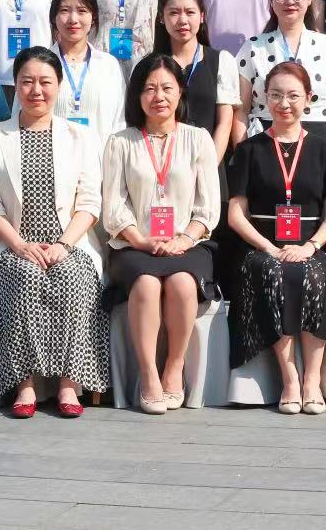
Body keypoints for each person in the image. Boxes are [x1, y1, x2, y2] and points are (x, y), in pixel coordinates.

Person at [0, 47, 108, 419]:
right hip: (11, 243)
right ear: (15, 86)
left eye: (45, 82)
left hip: (69, 242)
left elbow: (90, 202)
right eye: (27, 82)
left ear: (58, 85)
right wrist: (19, 244)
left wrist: (64, 244)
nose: (36, 90)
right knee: (22, 277)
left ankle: (69, 383)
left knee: (74, 277)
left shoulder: (81, 136)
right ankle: (24, 384)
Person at [223, 60, 326, 415]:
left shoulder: (324, 149)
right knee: (273, 272)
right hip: (262, 247)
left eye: (293, 95)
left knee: (315, 274)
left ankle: (312, 379)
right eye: (275, 95)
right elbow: (236, 215)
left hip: (312, 245)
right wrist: (270, 248)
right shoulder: (249, 149)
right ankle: (290, 377)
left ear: (308, 99)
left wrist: (310, 246)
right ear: (264, 97)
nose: (284, 103)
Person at [99, 55, 219, 414]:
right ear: (137, 95)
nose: (159, 96)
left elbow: (208, 207)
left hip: (189, 243)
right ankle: (149, 374)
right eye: (149, 89)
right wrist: (140, 240)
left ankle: (174, 368)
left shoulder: (198, 139)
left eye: (167, 87)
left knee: (182, 283)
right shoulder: (120, 142)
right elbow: (113, 206)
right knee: (148, 284)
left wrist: (184, 239)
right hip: (134, 245)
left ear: (180, 92)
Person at [236, 0, 326, 148]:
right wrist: (242, 155)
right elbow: (241, 110)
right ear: (270, 0)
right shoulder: (253, 48)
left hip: (318, 145)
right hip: (263, 145)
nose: (289, 0)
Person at [145, 0, 234, 147]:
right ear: (161, 17)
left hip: (209, 158)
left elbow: (225, 123)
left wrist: (210, 162)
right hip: (160, 158)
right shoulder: (147, 66)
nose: (183, 20)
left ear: (202, 16)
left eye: (190, 12)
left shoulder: (221, 61)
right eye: (174, 13)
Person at [40, 0, 130, 137]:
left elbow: (119, 121)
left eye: (82, 11)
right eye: (65, 10)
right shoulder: (40, 64)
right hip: (51, 151)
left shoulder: (108, 66)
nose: (73, 19)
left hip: (100, 152)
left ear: (93, 17)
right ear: (54, 17)